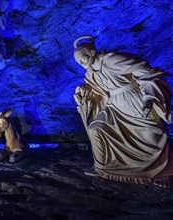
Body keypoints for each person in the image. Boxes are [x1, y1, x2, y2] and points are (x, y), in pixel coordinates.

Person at [73, 36, 173, 188]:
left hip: (133, 100)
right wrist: (83, 96)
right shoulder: (91, 74)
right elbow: (95, 91)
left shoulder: (113, 60)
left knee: (151, 134)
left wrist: (149, 96)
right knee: (96, 129)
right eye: (78, 62)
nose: (81, 64)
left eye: (83, 59)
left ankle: (163, 172)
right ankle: (104, 168)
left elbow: (144, 72)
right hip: (114, 105)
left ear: (92, 52)